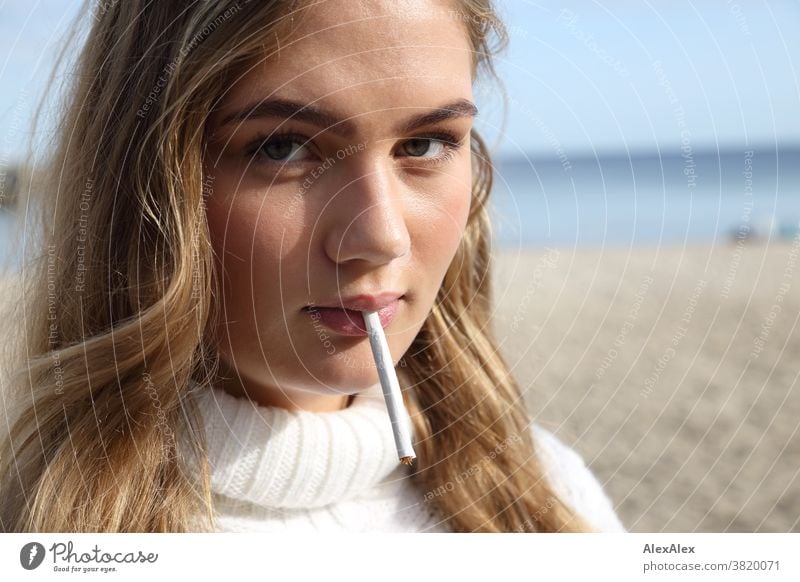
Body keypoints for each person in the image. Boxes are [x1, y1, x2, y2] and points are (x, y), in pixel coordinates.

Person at [0, 0, 625, 533]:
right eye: (283, 147)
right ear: (141, 181)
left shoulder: (549, 497)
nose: (380, 238)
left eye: (425, 144)